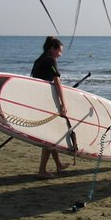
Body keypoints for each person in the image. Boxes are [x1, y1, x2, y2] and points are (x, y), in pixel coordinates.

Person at [31, 36, 70, 178]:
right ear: (52, 49)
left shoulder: (39, 59)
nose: (60, 54)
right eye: (59, 51)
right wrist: (63, 103)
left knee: (50, 136)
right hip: (45, 102)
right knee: (49, 137)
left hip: (38, 101)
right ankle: (42, 170)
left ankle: (58, 164)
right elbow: (57, 81)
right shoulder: (50, 60)